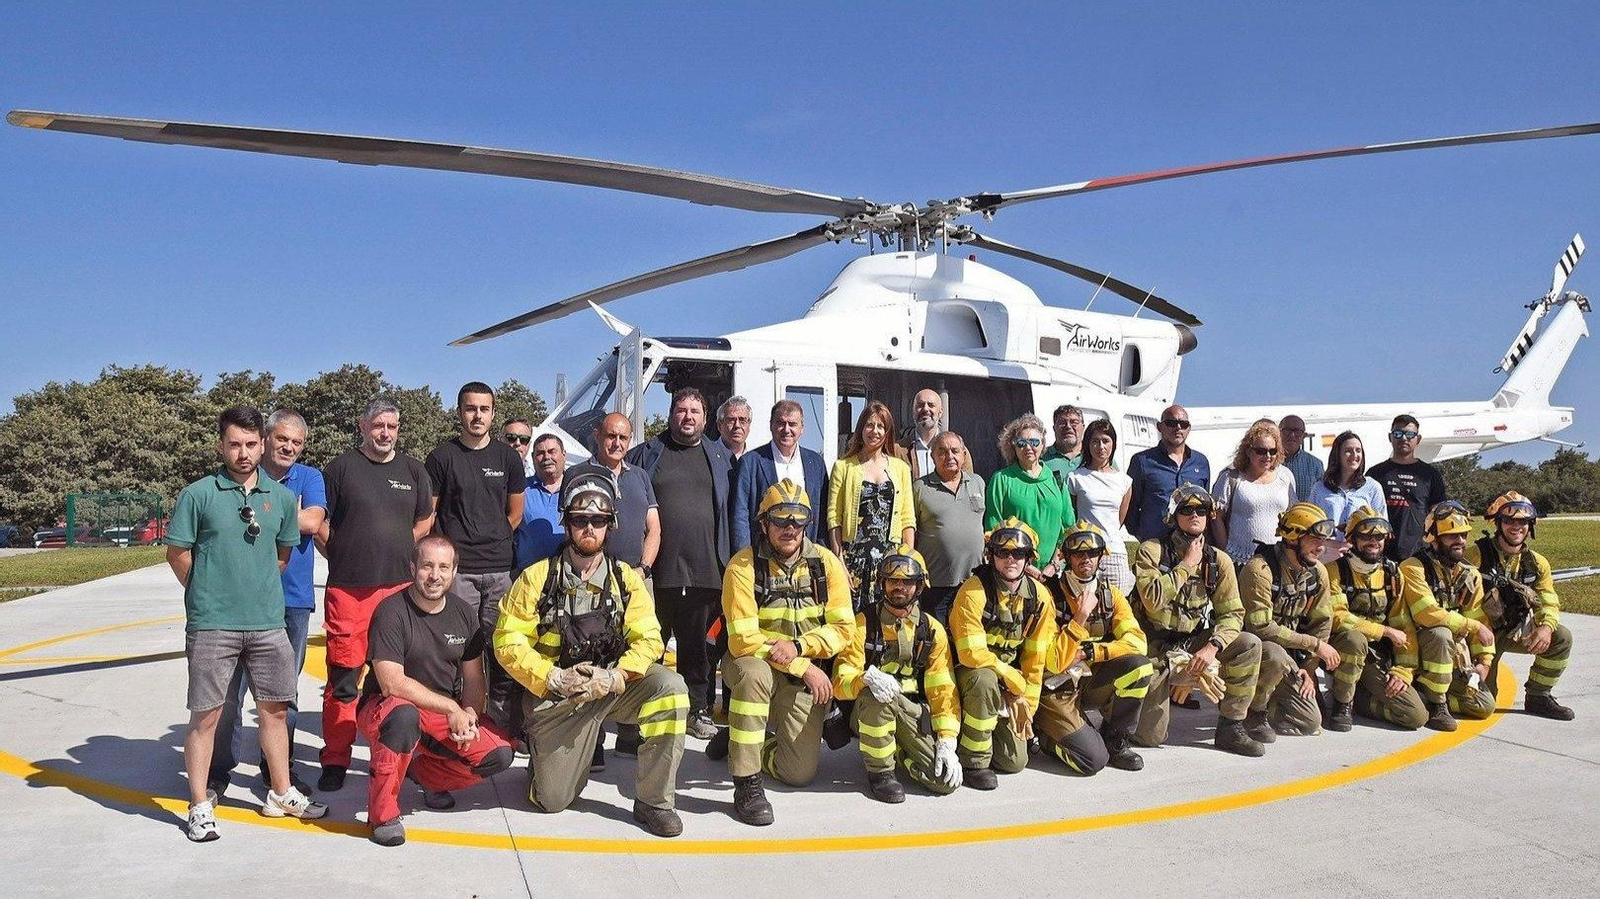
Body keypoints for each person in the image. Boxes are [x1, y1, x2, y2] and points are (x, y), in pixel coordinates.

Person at [493, 471, 689, 838]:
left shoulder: (625, 581)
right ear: (566, 523)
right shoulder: (536, 578)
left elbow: (649, 638)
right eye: (580, 519)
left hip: (610, 688)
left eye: (597, 520)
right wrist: (551, 677)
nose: (588, 528)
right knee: (551, 800)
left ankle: (654, 802)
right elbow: (507, 641)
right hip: (557, 698)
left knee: (670, 688)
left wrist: (617, 676)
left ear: (609, 525)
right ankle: (544, 760)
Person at [166, 406, 328, 842]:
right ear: (221, 445)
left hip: (267, 623)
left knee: (275, 709)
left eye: (251, 444)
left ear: (262, 445)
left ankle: (280, 791)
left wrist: (252, 590)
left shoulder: (278, 496)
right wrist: (207, 591)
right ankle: (200, 803)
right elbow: (178, 553)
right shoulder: (198, 494)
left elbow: (280, 554)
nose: (243, 452)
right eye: (234, 444)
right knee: (207, 716)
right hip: (213, 624)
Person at [358, 536, 514, 847]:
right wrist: (451, 709)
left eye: (444, 567)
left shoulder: (463, 614)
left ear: (455, 571)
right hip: (387, 706)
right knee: (402, 717)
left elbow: (473, 678)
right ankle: (383, 815)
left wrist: (469, 714)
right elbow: (391, 682)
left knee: (499, 754)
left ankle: (424, 774)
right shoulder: (391, 611)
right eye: (427, 566)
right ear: (412, 567)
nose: (435, 575)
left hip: (440, 711)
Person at [718, 480, 853, 825]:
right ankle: (746, 783)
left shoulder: (826, 564)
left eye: (798, 520)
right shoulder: (742, 567)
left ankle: (742, 742)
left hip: (800, 668)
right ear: (764, 523)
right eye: (780, 520)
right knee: (754, 676)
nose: (789, 529)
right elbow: (742, 640)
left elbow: (844, 629)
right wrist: (802, 666)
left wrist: (801, 649)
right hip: (755, 663)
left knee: (798, 773)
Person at [208, 409, 326, 800]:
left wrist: (262, 507)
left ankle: (278, 771)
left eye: (297, 442)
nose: (289, 447)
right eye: (281, 439)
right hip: (236, 602)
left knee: (283, 693)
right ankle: (217, 770)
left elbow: (311, 522)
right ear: (265, 440)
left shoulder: (309, 477)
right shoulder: (232, 480)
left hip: (291, 600)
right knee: (228, 694)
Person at [318, 398, 434, 793]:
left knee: (401, 679)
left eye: (392, 426)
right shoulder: (340, 469)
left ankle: (403, 754)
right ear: (362, 426)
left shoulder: (414, 471)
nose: (385, 433)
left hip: (400, 592)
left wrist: (402, 545)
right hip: (349, 591)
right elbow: (320, 523)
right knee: (344, 680)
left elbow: (425, 519)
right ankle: (335, 758)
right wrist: (345, 551)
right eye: (378, 426)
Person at [626, 387, 733, 740]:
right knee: (651, 647)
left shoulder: (720, 457)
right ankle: (650, 712)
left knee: (698, 651)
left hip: (706, 572)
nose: (688, 417)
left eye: (695, 411)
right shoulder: (647, 454)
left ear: (705, 418)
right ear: (671, 414)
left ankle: (697, 710)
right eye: (681, 410)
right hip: (658, 572)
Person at [1130, 485, 1265, 757]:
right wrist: (1188, 564)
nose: (1195, 515)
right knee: (1150, 737)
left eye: (1201, 510)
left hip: (1192, 643)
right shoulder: (1152, 551)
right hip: (1152, 650)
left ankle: (1231, 727)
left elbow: (1232, 614)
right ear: (1174, 515)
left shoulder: (1219, 561)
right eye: (1187, 510)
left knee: (1249, 644)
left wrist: (1211, 648)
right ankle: (1120, 712)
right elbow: (1152, 600)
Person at [426, 382, 528, 741]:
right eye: (470, 408)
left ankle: (499, 727)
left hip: (500, 570)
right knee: (457, 650)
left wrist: (495, 538)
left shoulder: (508, 458)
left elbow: (515, 513)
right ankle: (453, 724)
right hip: (460, 573)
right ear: (459, 412)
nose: (477, 416)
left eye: (484, 409)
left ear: (492, 414)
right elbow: (431, 513)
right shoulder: (441, 458)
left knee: (501, 650)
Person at [832, 547, 963, 802]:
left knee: (942, 782)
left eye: (907, 582)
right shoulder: (863, 623)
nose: (899, 587)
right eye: (892, 580)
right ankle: (880, 774)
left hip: (912, 713)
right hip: (869, 710)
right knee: (877, 696)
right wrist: (864, 678)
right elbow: (839, 683)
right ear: (882, 583)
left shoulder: (932, 630)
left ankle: (899, 752)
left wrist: (947, 740)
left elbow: (943, 690)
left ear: (920, 585)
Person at [569, 412, 659, 766]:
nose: (616, 443)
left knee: (635, 651)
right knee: (589, 651)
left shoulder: (640, 476)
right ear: (597, 436)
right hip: (592, 578)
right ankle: (592, 740)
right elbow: (573, 526)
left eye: (623, 437)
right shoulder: (579, 475)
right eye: (610, 436)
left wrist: (643, 569)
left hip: (635, 579)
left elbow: (654, 528)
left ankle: (629, 731)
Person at [1035, 522, 1152, 774]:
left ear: (1101, 557)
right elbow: (1055, 662)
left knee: (1140, 668)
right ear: (1066, 557)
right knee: (1092, 761)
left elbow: (1137, 642)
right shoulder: (1048, 595)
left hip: (1089, 680)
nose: (1085, 559)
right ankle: (1046, 736)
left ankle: (1115, 738)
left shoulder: (1112, 596)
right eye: (1077, 553)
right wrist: (1080, 617)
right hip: (1056, 688)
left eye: (1092, 553)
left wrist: (1092, 653)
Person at [948, 519, 1055, 790]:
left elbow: (1035, 659)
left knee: (1013, 762)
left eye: (1019, 554)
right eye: (1002, 552)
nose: (1011, 559)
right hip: (971, 675)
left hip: (1009, 683)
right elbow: (971, 654)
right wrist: (1009, 676)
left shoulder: (1040, 597)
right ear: (991, 555)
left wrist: (1027, 705)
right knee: (983, 679)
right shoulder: (973, 591)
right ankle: (974, 762)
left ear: (1029, 558)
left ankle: (983, 735)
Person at [1238, 503, 1341, 741]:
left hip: (1292, 657)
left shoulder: (1318, 572)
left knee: (1310, 722)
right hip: (1255, 655)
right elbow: (1261, 628)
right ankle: (1252, 710)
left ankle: (1269, 700)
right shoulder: (1260, 570)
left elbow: (1322, 623)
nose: (1321, 547)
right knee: (1274, 653)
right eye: (1314, 539)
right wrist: (1314, 645)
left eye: (1323, 540)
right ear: (1293, 537)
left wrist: (1308, 668)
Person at [1467, 492, 1575, 720]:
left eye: (1523, 522)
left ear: (1530, 525)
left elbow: (1548, 600)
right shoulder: (1476, 555)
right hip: (1481, 636)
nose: (1516, 527)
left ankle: (1538, 696)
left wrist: (1545, 627)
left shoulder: (1537, 563)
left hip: (1515, 630)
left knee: (1561, 637)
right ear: (1498, 523)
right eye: (1509, 521)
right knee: (1483, 705)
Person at [1322, 507, 1428, 732]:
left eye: (1379, 537)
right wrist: (1384, 632)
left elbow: (1403, 623)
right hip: (1343, 650)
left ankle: (1361, 701)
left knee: (1416, 716)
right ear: (1352, 538)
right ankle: (1343, 704)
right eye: (1366, 536)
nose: (1374, 541)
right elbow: (1337, 617)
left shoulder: (1392, 573)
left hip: (1379, 655)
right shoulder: (1333, 570)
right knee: (1355, 639)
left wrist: (1404, 670)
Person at [1394, 501, 1497, 731]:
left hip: (1454, 657)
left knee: (1485, 706)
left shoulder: (1470, 574)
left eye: (1462, 535)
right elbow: (1426, 614)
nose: (1459, 541)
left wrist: (1485, 662)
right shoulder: (1413, 567)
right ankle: (1437, 704)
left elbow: (1479, 619)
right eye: (1451, 536)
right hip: (1420, 650)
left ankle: (1426, 696)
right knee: (1440, 633)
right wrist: (1471, 626)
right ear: (1434, 538)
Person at [829, 401, 916, 611]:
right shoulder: (843, 467)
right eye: (869, 425)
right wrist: (839, 563)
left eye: (880, 426)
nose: (874, 431)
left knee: (885, 622)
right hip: (853, 561)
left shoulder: (901, 469)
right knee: (850, 621)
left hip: (889, 561)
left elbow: (907, 518)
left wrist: (906, 560)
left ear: (887, 432)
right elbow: (834, 517)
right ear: (861, 429)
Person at [731, 399, 829, 551]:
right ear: (771, 425)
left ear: (802, 428)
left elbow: (822, 516)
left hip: (805, 558)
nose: (786, 429)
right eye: (780, 423)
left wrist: (820, 556)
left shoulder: (816, 464)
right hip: (762, 558)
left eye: (792, 424)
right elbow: (740, 515)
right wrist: (744, 556)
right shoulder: (750, 463)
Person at [985, 413, 1074, 578]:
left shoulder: (1057, 480)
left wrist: (1053, 566)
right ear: (1013, 446)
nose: (1028, 447)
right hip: (1014, 572)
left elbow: (1068, 529)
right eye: (1021, 443)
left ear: (1043, 445)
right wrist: (1026, 567)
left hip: (1053, 574)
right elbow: (992, 530)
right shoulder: (1001, 479)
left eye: (1034, 442)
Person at [911, 431, 986, 626]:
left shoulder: (978, 482)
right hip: (936, 586)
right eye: (942, 451)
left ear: (963, 455)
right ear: (932, 457)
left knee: (969, 641)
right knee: (939, 642)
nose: (949, 456)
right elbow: (910, 530)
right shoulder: (920, 488)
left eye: (955, 451)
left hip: (973, 582)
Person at [1212, 419, 1298, 567]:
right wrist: (1225, 552)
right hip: (1239, 561)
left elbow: (1293, 516)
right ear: (1248, 451)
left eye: (1272, 451)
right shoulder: (1231, 477)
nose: (1268, 456)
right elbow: (1216, 517)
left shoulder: (1285, 477)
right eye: (1261, 451)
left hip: (1278, 561)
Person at [1368, 415, 1447, 562]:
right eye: (1398, 433)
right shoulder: (1375, 473)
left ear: (1418, 439)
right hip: (1380, 554)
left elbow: (1437, 512)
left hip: (1420, 556)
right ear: (1390, 437)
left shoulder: (1430, 474)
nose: (1404, 438)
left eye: (1410, 434)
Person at [1127, 404, 1211, 542]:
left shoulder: (1201, 462)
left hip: (1190, 545)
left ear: (1189, 429)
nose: (1178, 428)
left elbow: (1204, 505)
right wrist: (1141, 534)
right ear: (1160, 427)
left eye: (1183, 424)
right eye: (1171, 423)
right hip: (1155, 544)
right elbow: (1131, 506)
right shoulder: (1142, 461)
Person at [1068, 418, 1133, 592]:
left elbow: (1119, 519)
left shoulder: (1124, 481)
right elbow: (1071, 516)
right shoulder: (1075, 478)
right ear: (1087, 445)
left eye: (1105, 441)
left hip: (1115, 552)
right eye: (1095, 441)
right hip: (1084, 551)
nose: (1101, 447)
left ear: (1113, 444)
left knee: (1116, 609)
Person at [1308, 431, 1387, 543]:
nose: (1355, 455)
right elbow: (1310, 525)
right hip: (1326, 555)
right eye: (1348, 451)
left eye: (1358, 451)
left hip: (1359, 556)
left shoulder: (1373, 487)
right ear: (1337, 455)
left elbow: (1381, 527)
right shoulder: (1319, 488)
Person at [513, 433, 566, 576]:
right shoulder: (520, 488)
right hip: (527, 577)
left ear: (564, 455)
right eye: (540, 453)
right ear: (533, 457)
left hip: (565, 577)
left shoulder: (576, 489)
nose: (546, 457)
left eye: (552, 452)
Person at [896, 388, 968, 479]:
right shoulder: (898, 450)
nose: (925, 409)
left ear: (940, 412)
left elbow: (967, 486)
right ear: (913, 411)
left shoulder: (958, 450)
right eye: (920, 405)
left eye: (931, 405)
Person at [1278, 416, 1324, 503]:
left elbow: (1321, 497)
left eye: (1297, 431)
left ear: (1304, 436)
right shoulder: (1268, 461)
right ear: (1279, 433)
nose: (1292, 435)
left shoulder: (1315, 464)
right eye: (1287, 430)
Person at [1043, 404, 1086, 477]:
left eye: (1074, 422)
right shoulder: (1041, 458)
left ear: (1083, 427)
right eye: (1062, 422)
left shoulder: (1094, 456)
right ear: (1054, 428)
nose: (1068, 426)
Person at [716, 395, 752, 461]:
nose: (737, 425)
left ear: (749, 425)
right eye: (731, 420)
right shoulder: (707, 455)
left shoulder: (755, 460)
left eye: (742, 420)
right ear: (719, 425)